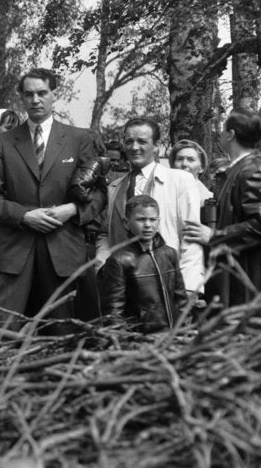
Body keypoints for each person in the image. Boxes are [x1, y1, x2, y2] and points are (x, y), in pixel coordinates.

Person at [0, 68, 106, 331]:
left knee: (63, 328)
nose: (35, 100)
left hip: (62, 247)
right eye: (29, 94)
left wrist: (71, 210)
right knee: (2, 327)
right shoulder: (4, 142)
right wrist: (24, 216)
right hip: (15, 248)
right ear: (22, 98)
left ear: (54, 94)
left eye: (42, 93)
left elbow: (98, 194)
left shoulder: (79, 139)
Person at [96, 117, 203, 296]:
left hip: (166, 284)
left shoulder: (179, 180)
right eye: (129, 141)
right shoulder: (114, 188)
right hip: (122, 288)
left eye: (142, 141)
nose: (134, 147)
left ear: (156, 146)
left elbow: (191, 235)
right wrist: (102, 265)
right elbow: (105, 233)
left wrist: (189, 287)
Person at [184, 110, 261, 307]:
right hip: (232, 274)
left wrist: (215, 236)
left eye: (223, 129)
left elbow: (258, 224)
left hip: (246, 279)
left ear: (231, 134)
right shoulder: (237, 169)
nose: (220, 133)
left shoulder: (252, 169)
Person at [97, 195, 188, 332]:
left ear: (159, 221)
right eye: (141, 219)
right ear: (126, 223)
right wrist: (128, 340)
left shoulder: (170, 254)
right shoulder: (119, 261)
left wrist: (186, 332)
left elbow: (182, 302)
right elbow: (113, 315)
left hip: (173, 337)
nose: (147, 225)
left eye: (152, 219)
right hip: (141, 340)